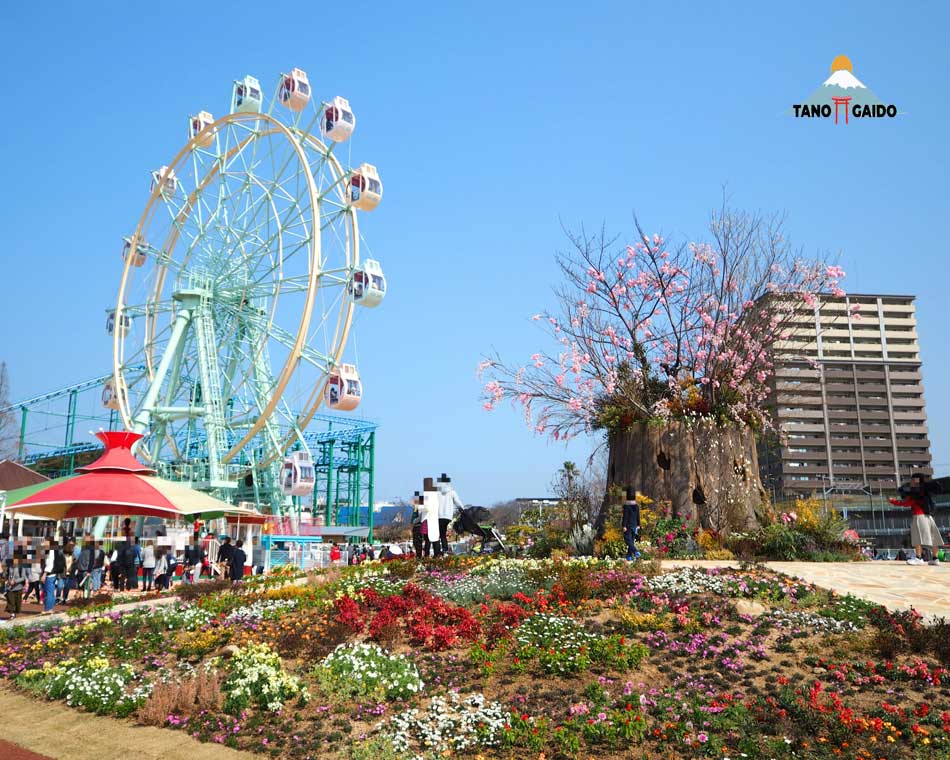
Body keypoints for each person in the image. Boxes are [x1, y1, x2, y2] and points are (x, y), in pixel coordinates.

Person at [890, 473, 944, 565]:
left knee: (917, 537)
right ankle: (935, 559)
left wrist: (892, 501)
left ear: (916, 480)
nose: (910, 482)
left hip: (918, 517)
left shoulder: (915, 492)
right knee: (934, 537)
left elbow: (906, 503)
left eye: (912, 480)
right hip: (929, 517)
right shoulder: (925, 491)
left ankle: (918, 558)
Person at [437, 474, 465, 557]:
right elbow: (457, 501)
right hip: (448, 516)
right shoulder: (452, 491)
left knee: (440, 535)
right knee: (445, 534)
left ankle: (440, 551)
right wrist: (463, 509)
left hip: (439, 516)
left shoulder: (437, 492)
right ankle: (446, 550)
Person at [621, 487, 642, 561]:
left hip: (628, 526)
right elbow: (638, 516)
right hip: (635, 525)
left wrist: (624, 525)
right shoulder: (636, 506)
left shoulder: (626, 506)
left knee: (627, 540)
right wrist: (639, 525)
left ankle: (636, 551)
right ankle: (628, 556)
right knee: (631, 540)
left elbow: (625, 516)